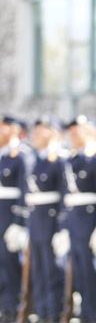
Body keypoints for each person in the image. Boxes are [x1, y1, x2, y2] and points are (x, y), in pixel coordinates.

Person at [59, 115, 96, 322]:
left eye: (78, 131)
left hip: (92, 225)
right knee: (80, 274)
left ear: (93, 132)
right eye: (71, 132)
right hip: (75, 224)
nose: (73, 135)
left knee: (94, 273)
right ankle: (87, 315)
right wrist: (63, 226)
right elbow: (66, 197)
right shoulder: (72, 159)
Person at [25, 115, 68, 323]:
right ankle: (42, 312)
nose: (34, 135)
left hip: (52, 221)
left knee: (52, 270)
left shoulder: (60, 159)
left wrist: (62, 227)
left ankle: (54, 313)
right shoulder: (37, 158)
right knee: (38, 270)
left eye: (40, 130)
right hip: (36, 220)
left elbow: (65, 194)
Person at [0, 115, 32, 323]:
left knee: (11, 264)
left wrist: (20, 223)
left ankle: (13, 309)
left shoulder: (22, 155)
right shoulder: (3, 155)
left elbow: (26, 188)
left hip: (11, 217)